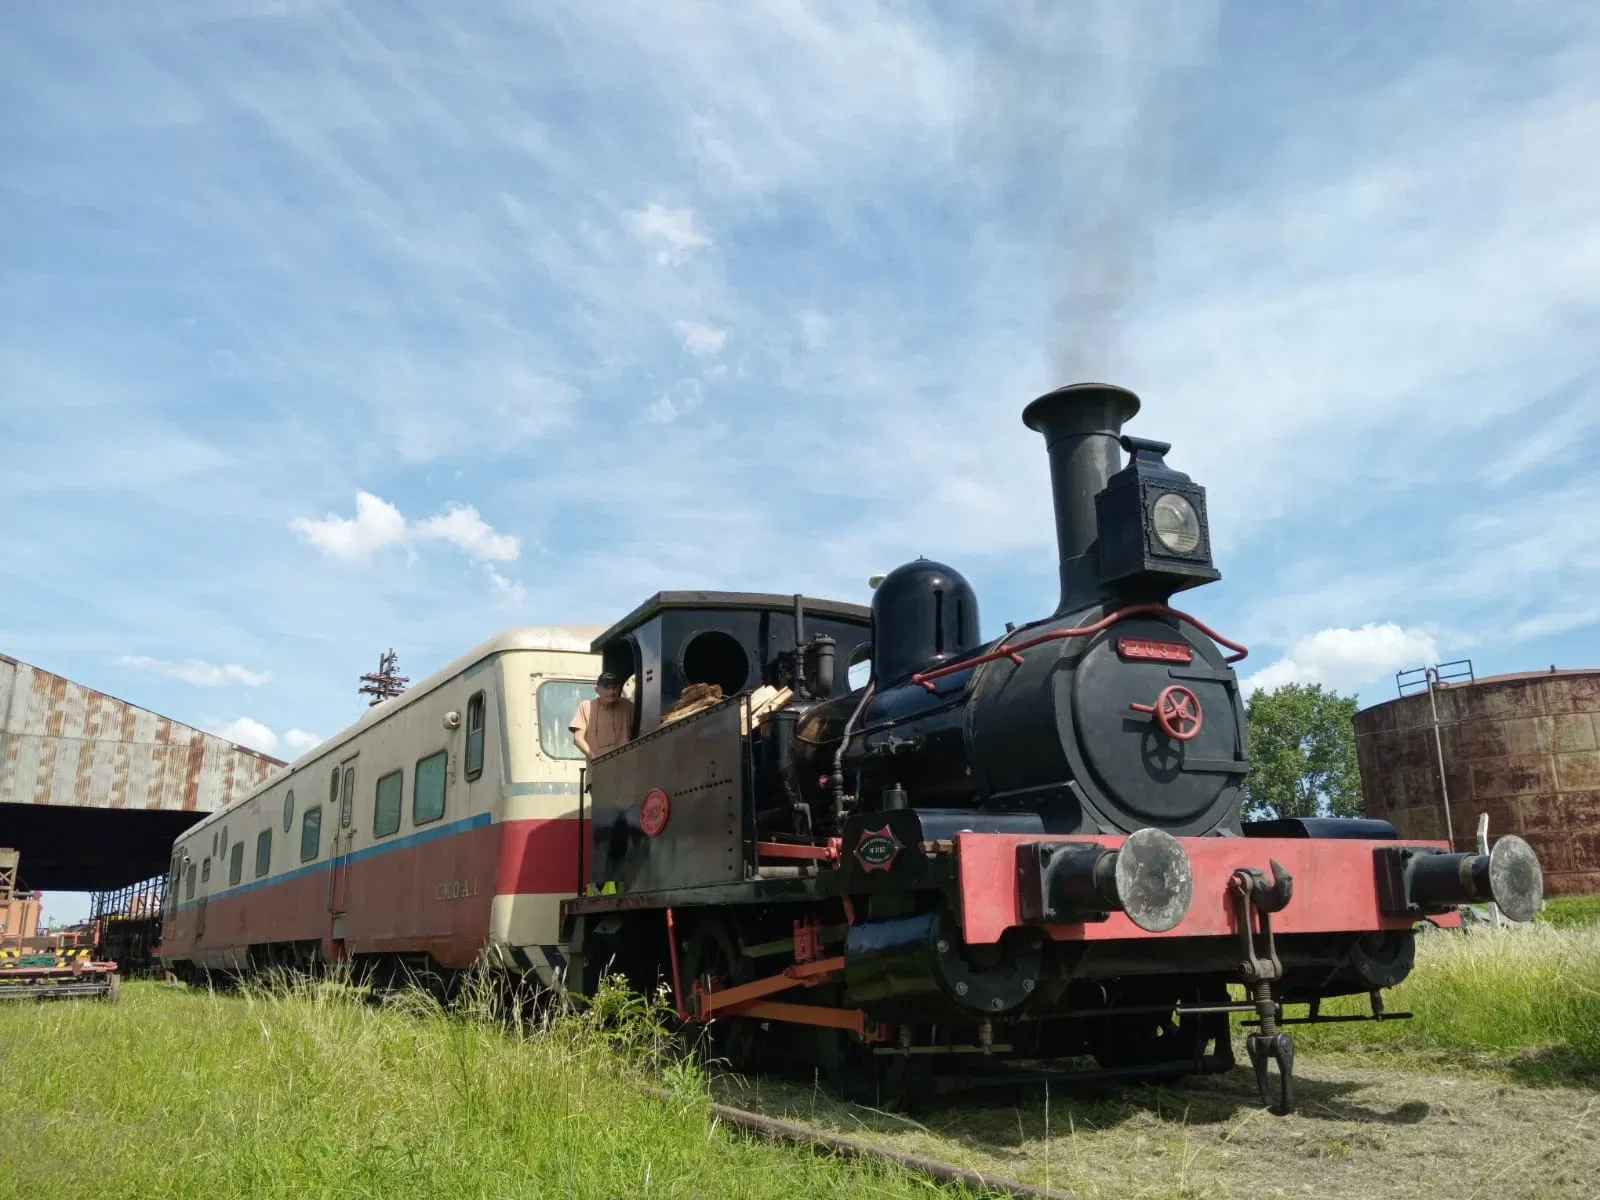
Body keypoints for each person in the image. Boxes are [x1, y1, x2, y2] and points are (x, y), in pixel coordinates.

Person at [569, 671, 635, 761]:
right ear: (597, 690)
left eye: (614, 688)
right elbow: (578, 738)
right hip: (598, 767)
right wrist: (595, 758)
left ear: (619, 689)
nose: (611, 691)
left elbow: (645, 722)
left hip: (624, 764)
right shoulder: (586, 707)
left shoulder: (627, 705)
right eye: (607, 688)